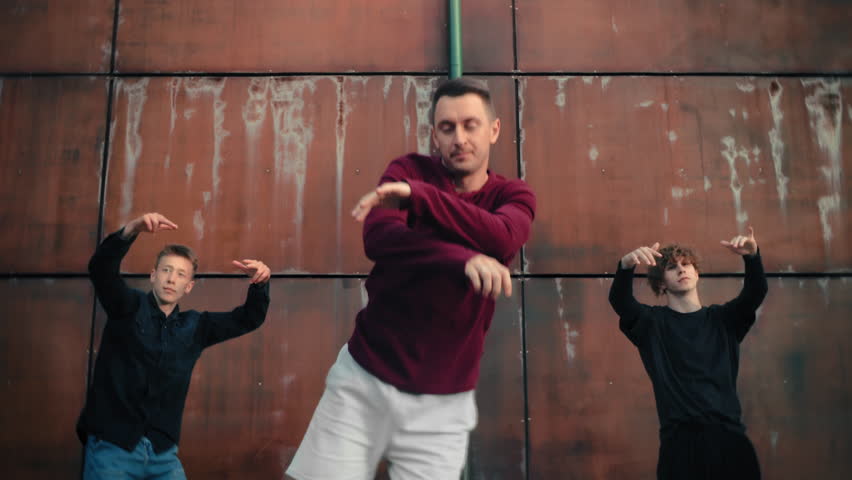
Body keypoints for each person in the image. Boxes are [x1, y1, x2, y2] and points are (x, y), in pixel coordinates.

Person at [285, 77, 536, 479]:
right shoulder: (407, 169)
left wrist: (419, 198)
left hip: (443, 401)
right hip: (364, 378)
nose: (459, 137)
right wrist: (462, 258)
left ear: (494, 129)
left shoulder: (514, 196)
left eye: (471, 125)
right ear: (434, 134)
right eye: (446, 127)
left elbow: (503, 235)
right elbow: (380, 238)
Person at [78, 212, 271, 479]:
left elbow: (248, 319)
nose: (171, 279)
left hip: (162, 455)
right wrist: (132, 229)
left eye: (180, 274)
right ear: (154, 275)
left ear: (188, 286)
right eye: (166, 271)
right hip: (113, 450)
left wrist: (260, 284)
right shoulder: (128, 307)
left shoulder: (196, 328)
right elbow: (101, 269)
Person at [608, 227, 768, 480]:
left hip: (730, 441)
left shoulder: (723, 319)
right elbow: (621, 302)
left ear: (697, 273)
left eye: (687, 264)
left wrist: (752, 256)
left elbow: (755, 293)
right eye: (672, 267)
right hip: (680, 447)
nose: (682, 269)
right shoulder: (652, 324)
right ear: (660, 282)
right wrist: (626, 265)